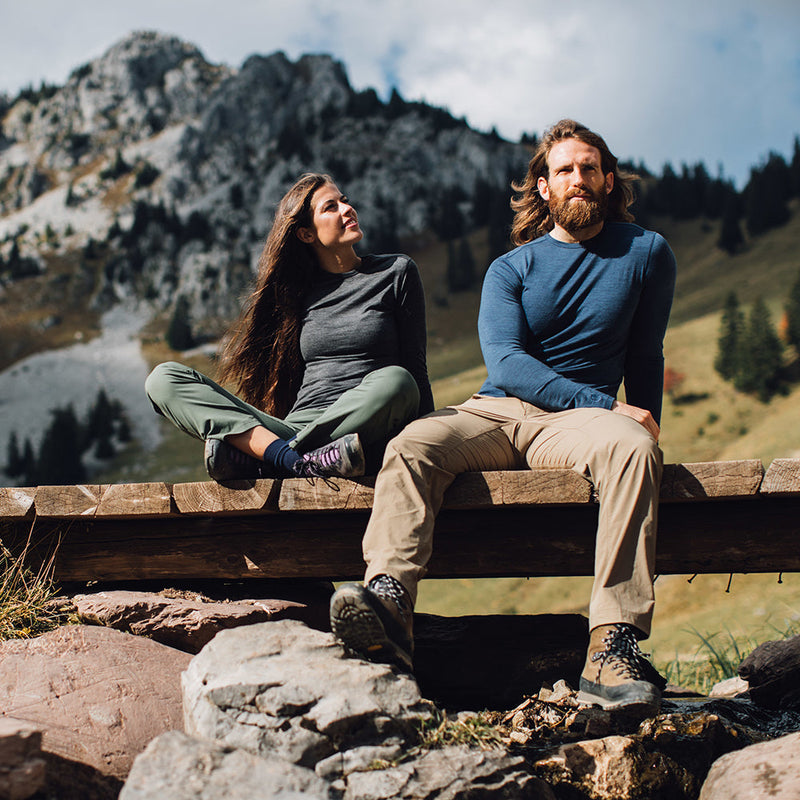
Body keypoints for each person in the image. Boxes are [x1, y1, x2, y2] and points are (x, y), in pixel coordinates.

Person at [330, 119, 677, 717]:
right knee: (415, 442)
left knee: (631, 448)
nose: (578, 180)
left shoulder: (645, 252)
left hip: (574, 425)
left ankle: (611, 645)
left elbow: (646, 354)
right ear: (543, 188)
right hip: (498, 410)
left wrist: (643, 422)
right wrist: (609, 405)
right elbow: (510, 364)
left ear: (608, 179)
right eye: (563, 170)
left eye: (589, 168)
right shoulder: (511, 269)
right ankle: (388, 605)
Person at [145, 172, 433, 481]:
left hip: (364, 427)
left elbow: (416, 370)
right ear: (307, 234)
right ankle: (294, 458)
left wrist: (435, 445)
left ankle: (273, 461)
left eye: (345, 202)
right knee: (163, 379)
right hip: (295, 428)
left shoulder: (395, 272)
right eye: (330, 207)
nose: (347, 209)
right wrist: (280, 441)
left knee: (399, 382)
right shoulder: (295, 294)